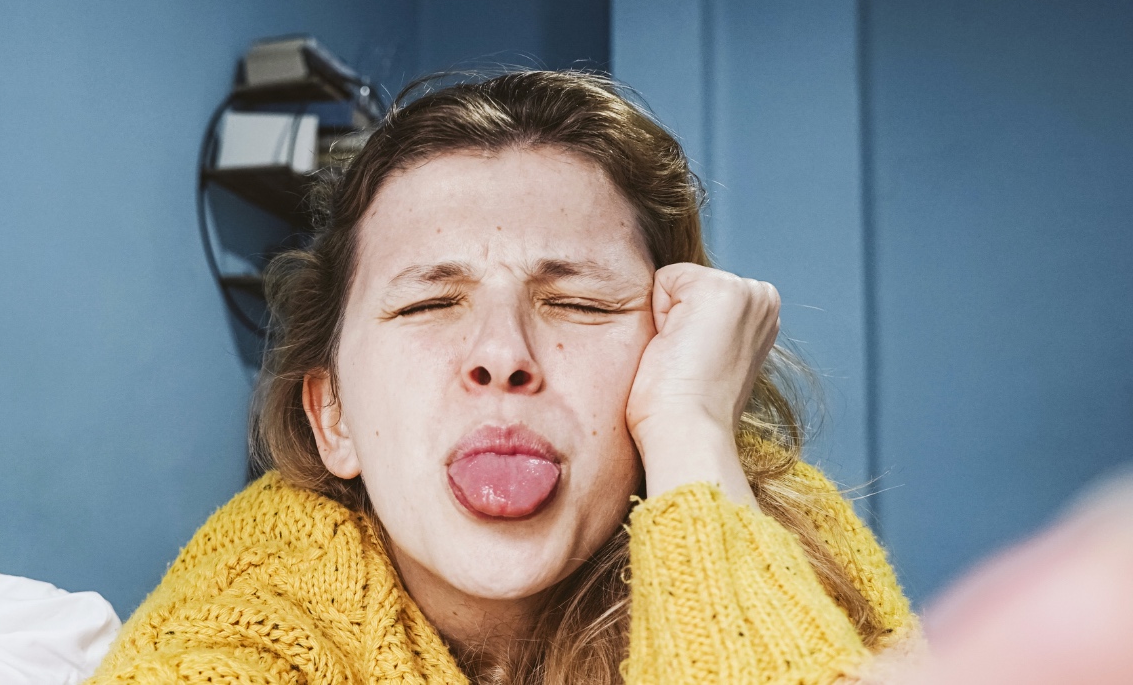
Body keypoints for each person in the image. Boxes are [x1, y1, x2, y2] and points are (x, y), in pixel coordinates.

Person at [86, 70, 921, 684]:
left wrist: (694, 434)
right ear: (333, 416)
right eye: (427, 305)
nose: (502, 353)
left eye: (580, 303)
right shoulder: (254, 595)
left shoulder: (763, 521)